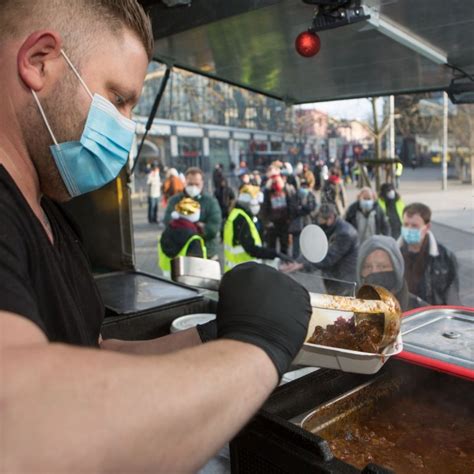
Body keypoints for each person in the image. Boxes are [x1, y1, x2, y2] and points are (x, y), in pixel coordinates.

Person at [0, 2, 313, 472]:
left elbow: (92, 356)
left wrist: (211, 340)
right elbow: (21, 422)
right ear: (39, 61)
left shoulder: (52, 217)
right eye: (119, 99)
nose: (125, 127)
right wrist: (254, 349)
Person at [282, 204, 359, 296]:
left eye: (321, 220)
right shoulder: (330, 228)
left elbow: (328, 258)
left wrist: (301, 265)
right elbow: (313, 249)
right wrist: (297, 261)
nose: (319, 223)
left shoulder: (344, 234)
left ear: (330, 218)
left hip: (344, 280)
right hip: (334, 277)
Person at [399, 203, 460, 305]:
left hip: (432, 317)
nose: (409, 229)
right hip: (405, 317)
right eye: (406, 225)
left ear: (427, 227)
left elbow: (452, 297)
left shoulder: (444, 257)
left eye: (414, 226)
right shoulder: (393, 255)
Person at [164, 167, 222, 259]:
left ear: (202, 183)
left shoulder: (211, 202)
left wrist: (182, 226)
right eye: (190, 184)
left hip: (208, 254)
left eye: (197, 184)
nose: (193, 187)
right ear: (185, 182)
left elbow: (213, 229)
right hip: (182, 255)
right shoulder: (175, 201)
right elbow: (167, 221)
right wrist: (198, 227)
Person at [357, 235, 426, 311]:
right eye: (367, 267)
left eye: (382, 266)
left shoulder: (420, 312)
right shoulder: (346, 310)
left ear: (397, 270)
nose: (374, 272)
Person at [223, 185, 281, 272]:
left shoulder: (236, 214)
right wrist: (271, 253)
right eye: (254, 204)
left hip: (236, 269)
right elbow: (250, 248)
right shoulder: (241, 219)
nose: (257, 207)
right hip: (243, 270)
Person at [158, 198, 207, 277]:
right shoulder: (193, 238)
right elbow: (197, 266)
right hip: (187, 281)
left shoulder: (169, 229)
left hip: (167, 277)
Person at [261, 172, 297, 256]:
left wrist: (289, 219)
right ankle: (272, 263)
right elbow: (264, 207)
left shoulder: (285, 190)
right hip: (272, 223)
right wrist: (266, 221)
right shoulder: (267, 192)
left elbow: (290, 204)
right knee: (271, 245)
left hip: (284, 222)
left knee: (284, 244)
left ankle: (284, 260)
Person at [288, 178, 318, 258]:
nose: (304, 188)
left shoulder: (311, 195)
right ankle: (295, 259)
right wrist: (303, 209)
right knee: (296, 243)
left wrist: (302, 207)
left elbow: (312, 208)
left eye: (306, 187)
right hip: (296, 223)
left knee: (308, 243)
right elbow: (293, 209)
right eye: (303, 186)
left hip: (308, 222)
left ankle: (307, 260)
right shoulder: (294, 196)